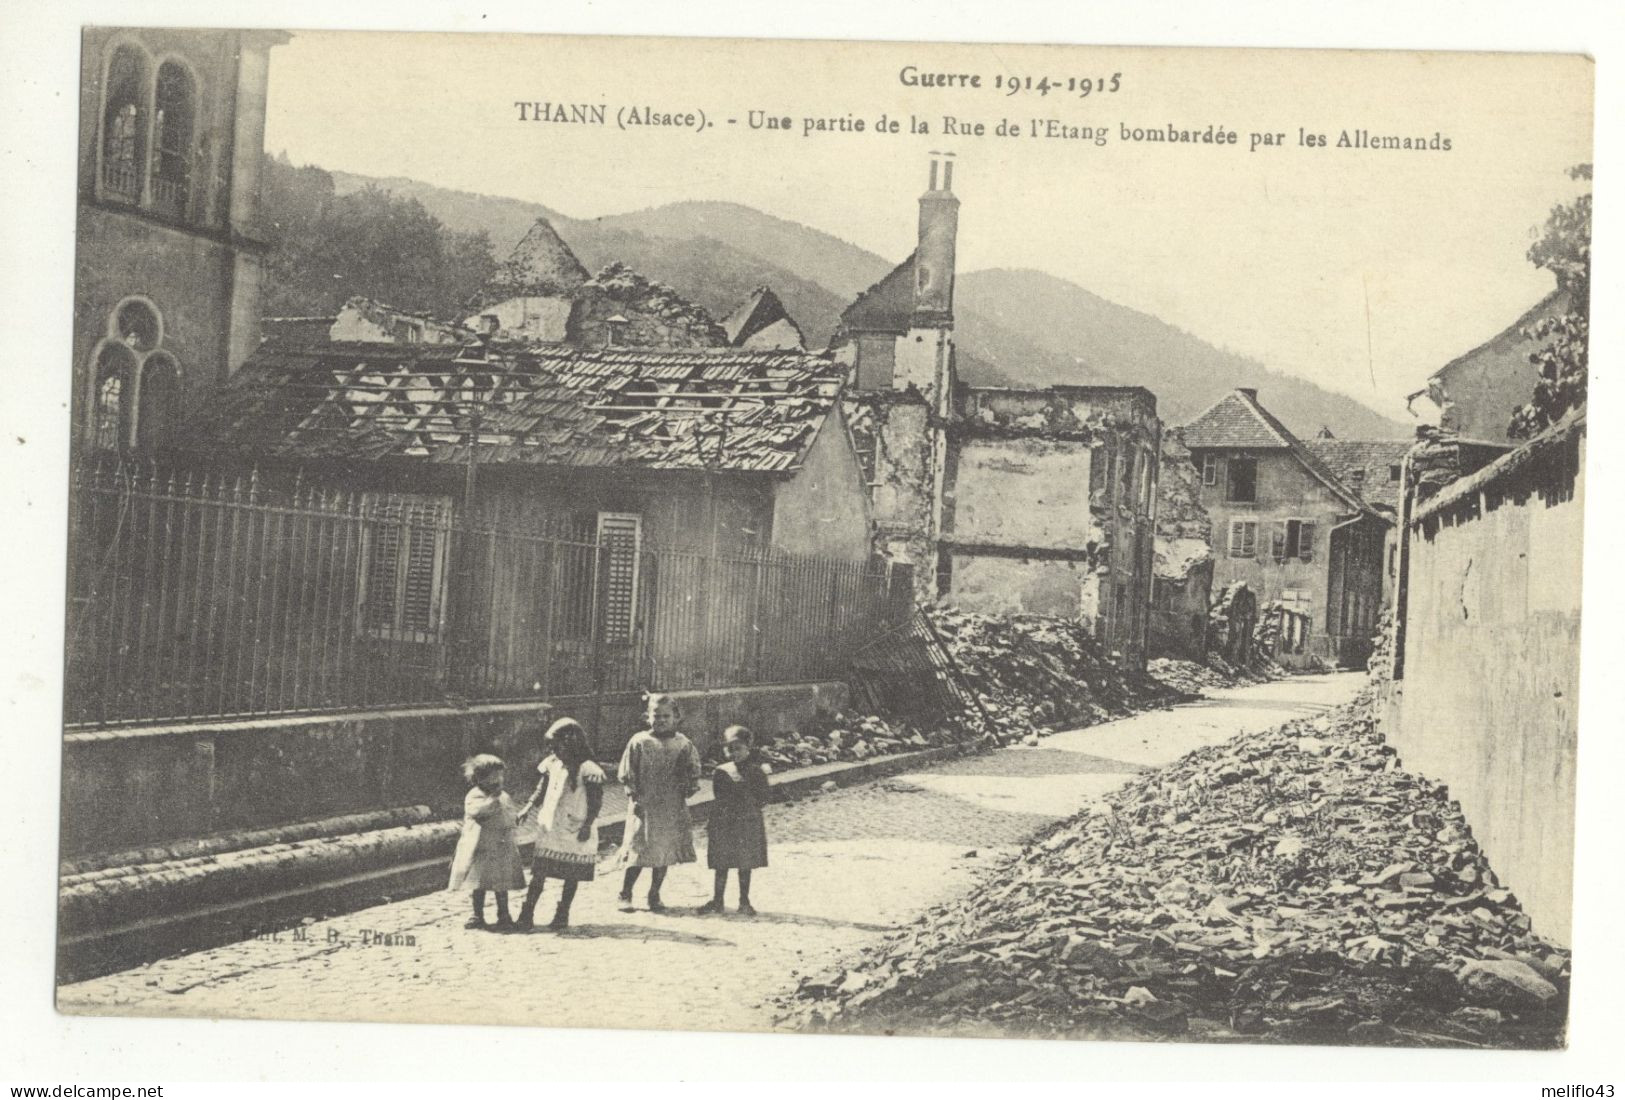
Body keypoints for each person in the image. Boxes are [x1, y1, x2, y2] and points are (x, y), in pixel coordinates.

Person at [514, 718, 605, 929]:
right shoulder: (552, 763)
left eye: (557, 746)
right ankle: (527, 913)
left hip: (575, 828)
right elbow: (541, 789)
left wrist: (587, 826)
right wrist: (527, 807)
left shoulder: (587, 769)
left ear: (571, 743)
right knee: (540, 871)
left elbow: (596, 802)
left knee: (571, 874)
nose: (553, 751)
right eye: (551, 747)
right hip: (551, 827)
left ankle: (562, 913)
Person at [614, 694, 701, 911]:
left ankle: (654, 894)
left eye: (666, 716)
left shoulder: (683, 744)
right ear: (647, 717)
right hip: (645, 805)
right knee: (639, 849)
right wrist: (633, 795)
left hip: (671, 807)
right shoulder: (640, 742)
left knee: (664, 851)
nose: (661, 720)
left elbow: (693, 770)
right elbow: (627, 772)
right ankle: (625, 893)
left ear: (676, 717)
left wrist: (689, 786)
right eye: (656, 715)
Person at [698, 725, 771, 916]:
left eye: (738, 748)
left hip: (747, 823)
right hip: (724, 822)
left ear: (748, 748)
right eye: (729, 749)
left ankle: (744, 901)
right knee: (721, 863)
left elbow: (763, 797)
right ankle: (717, 900)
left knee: (744, 863)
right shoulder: (721, 771)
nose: (733, 753)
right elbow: (718, 796)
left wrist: (748, 809)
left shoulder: (756, 772)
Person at [447, 753, 526, 930]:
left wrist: (514, 818)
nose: (499, 779)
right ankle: (477, 914)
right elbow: (478, 812)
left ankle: (504, 914)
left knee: (501, 882)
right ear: (480, 778)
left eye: (501, 775)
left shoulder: (503, 795)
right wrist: (493, 799)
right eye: (494, 776)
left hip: (501, 846)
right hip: (481, 847)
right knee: (479, 882)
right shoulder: (475, 795)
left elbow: (508, 812)